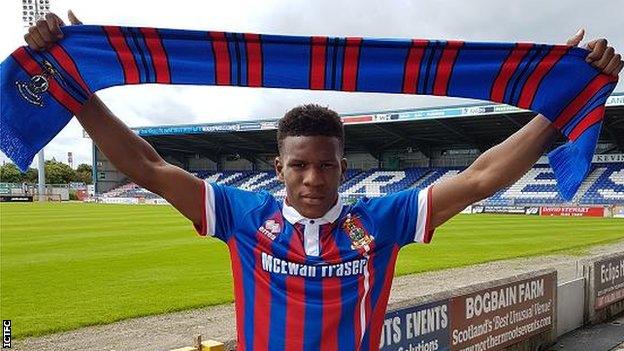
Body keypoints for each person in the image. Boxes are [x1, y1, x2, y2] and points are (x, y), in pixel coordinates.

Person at [25, 11, 623, 351]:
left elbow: (482, 175)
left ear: (343, 165)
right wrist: (77, 90)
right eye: (299, 164)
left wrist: (558, 103)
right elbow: (149, 167)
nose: (313, 177)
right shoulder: (239, 214)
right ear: (279, 166)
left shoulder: (380, 220)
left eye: (326, 163)